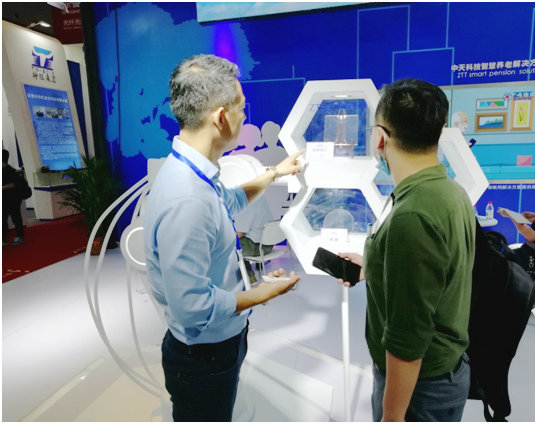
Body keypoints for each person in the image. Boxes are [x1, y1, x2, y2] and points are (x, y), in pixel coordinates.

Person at [143, 54, 303, 422]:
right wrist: (263, 293)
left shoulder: (194, 172)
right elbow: (191, 306)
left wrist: (275, 173)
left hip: (217, 346)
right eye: (241, 108)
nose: (244, 117)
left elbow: (229, 201)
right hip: (204, 357)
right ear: (220, 117)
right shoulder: (187, 197)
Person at [338, 79, 476, 421]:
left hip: (420, 388)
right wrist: (373, 266)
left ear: (380, 137)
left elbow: (407, 339)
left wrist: (392, 416)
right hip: (442, 375)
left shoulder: (412, 215)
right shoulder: (449, 192)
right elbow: (435, 275)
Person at [235, 195, 274, 284]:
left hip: (258, 249)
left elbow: (238, 235)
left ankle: (250, 277)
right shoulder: (261, 198)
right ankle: (259, 266)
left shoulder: (245, 205)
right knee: (252, 233)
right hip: (268, 246)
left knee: (234, 244)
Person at [3, 148, 24, 246]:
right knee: (3, 219)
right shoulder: (9, 170)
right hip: (7, 199)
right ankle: (3, 238)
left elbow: (14, 184)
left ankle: (19, 236)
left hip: (12, 199)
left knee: (15, 218)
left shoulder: (9, 171)